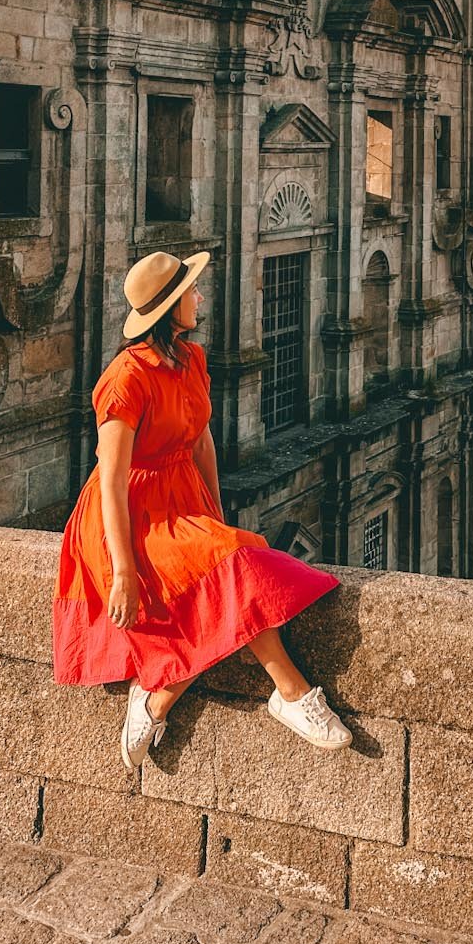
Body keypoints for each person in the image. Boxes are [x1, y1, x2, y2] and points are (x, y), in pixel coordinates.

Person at [53, 248, 352, 767]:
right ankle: (291, 693)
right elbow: (112, 480)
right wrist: (123, 570)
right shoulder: (125, 380)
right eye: (191, 291)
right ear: (169, 308)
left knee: (229, 571)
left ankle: (157, 697)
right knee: (236, 571)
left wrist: (214, 515)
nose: (199, 296)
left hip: (181, 498)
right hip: (128, 515)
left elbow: (202, 443)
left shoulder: (192, 360)